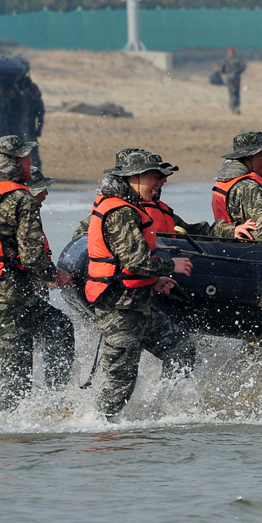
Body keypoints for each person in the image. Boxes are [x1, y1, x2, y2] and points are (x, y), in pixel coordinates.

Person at [0, 135, 75, 411]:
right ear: (11, 163)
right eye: (24, 158)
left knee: (59, 328)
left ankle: (56, 400)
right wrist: (54, 276)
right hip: (6, 298)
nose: (30, 161)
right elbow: (33, 257)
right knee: (17, 377)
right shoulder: (21, 200)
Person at [84, 148, 197, 420]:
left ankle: (164, 413)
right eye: (153, 177)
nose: (159, 183)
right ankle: (98, 428)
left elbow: (130, 265)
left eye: (161, 177)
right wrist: (172, 266)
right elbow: (136, 262)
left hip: (138, 304)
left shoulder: (130, 208)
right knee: (120, 382)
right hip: (119, 309)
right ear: (133, 177)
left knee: (181, 350)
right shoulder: (120, 212)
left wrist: (155, 280)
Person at [211, 131, 262, 240]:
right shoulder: (249, 186)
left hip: (232, 247)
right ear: (252, 156)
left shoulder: (226, 183)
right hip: (255, 251)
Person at [216, 47, 246, 114]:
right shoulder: (238, 59)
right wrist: (238, 72)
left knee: (231, 92)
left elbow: (222, 69)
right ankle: (237, 107)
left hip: (229, 77)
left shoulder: (226, 59)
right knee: (236, 92)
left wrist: (225, 72)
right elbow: (243, 67)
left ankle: (233, 107)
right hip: (236, 77)